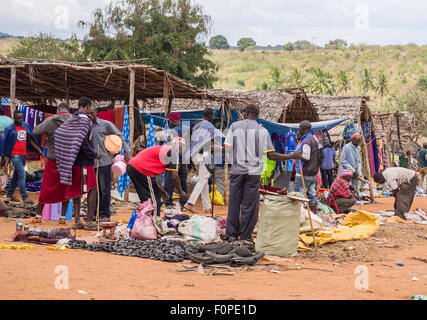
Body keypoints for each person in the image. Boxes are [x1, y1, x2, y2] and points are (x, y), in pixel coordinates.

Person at [223, 104, 299, 242]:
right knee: (250, 205)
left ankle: (232, 235)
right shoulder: (262, 131)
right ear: (257, 115)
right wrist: (291, 156)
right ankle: (245, 236)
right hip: (254, 172)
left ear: (245, 113)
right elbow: (271, 155)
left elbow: (226, 149)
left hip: (237, 170)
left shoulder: (235, 126)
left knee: (234, 202)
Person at [54, 97, 98, 230]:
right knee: (92, 189)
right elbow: (83, 141)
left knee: (76, 191)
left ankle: (77, 220)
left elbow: (59, 133)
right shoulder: (85, 121)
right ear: (88, 107)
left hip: (72, 161)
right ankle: (89, 220)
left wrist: (69, 150)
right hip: (84, 161)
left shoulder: (71, 119)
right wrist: (94, 154)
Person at [127, 137, 189, 216]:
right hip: (141, 169)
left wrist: (161, 190)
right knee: (154, 200)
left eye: (181, 146)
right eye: (179, 146)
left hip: (135, 167)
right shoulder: (172, 152)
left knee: (150, 196)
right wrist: (181, 192)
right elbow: (174, 175)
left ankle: (145, 221)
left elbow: (151, 177)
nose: (180, 148)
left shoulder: (166, 150)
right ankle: (154, 222)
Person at [89, 105, 130, 222]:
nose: (90, 116)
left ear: (96, 112)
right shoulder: (84, 126)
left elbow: (120, 136)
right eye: (89, 113)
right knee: (93, 190)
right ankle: (94, 213)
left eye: (92, 113)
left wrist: (127, 151)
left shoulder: (105, 124)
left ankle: (104, 214)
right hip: (90, 163)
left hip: (104, 162)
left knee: (104, 189)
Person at [33, 102, 72, 223]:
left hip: (52, 158)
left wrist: (49, 132)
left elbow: (35, 131)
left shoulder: (51, 120)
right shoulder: (74, 120)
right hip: (68, 160)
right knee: (66, 188)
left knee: (46, 187)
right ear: (68, 110)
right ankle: (62, 218)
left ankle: (38, 216)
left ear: (58, 109)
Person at [184, 108, 224, 215]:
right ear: (211, 115)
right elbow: (211, 143)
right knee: (202, 181)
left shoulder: (196, 124)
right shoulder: (209, 126)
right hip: (202, 156)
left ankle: (207, 208)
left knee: (204, 182)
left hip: (194, 156)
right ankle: (190, 203)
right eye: (213, 115)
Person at [0, 110, 43, 204]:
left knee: (16, 175)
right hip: (15, 155)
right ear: (14, 118)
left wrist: (39, 150)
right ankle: (25, 197)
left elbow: (30, 139)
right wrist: (3, 157)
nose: (20, 120)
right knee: (22, 174)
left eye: (22, 118)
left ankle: (10, 193)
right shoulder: (9, 128)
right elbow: (3, 141)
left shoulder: (25, 125)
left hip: (23, 155)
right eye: (18, 118)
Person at [291, 120, 323, 214]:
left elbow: (306, 157)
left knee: (299, 196)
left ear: (303, 129)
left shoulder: (306, 141)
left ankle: (301, 217)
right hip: (312, 173)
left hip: (303, 173)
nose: (299, 130)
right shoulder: (315, 139)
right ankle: (313, 216)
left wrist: (297, 155)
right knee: (312, 195)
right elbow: (321, 156)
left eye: (300, 128)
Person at [163, 112, 188, 209]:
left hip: (174, 158)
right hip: (185, 158)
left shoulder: (174, 131)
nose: (169, 122)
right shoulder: (186, 129)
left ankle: (168, 201)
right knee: (183, 180)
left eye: (170, 121)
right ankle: (183, 203)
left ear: (173, 120)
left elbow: (169, 143)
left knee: (170, 179)